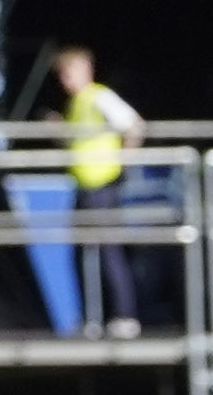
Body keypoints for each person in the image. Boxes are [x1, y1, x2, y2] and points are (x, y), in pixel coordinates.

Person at [56, 43, 153, 337]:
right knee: (80, 253)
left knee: (108, 250)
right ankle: (90, 319)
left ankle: (124, 316)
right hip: (83, 185)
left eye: (69, 73)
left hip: (102, 186)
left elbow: (133, 125)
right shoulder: (75, 105)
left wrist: (124, 163)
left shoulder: (99, 96)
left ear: (86, 70)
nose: (65, 80)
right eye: (61, 75)